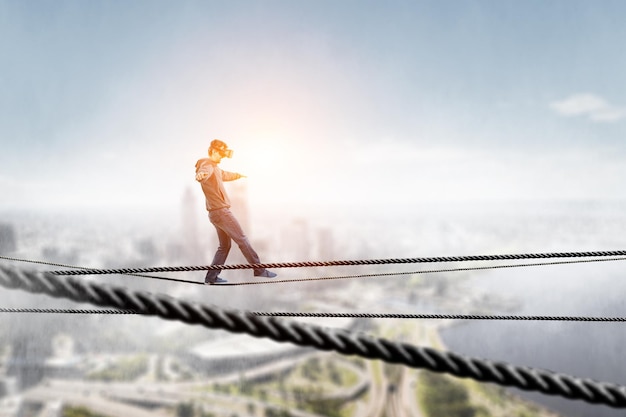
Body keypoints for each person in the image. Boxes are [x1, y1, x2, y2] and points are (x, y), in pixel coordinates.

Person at [195, 139, 277, 284]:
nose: (222, 157)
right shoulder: (207, 165)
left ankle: (211, 277)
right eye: (220, 154)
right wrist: (200, 175)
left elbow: (225, 174)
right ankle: (259, 269)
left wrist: (238, 175)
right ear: (213, 151)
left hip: (214, 214)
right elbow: (203, 173)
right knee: (242, 240)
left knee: (224, 246)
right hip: (221, 212)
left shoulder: (215, 168)